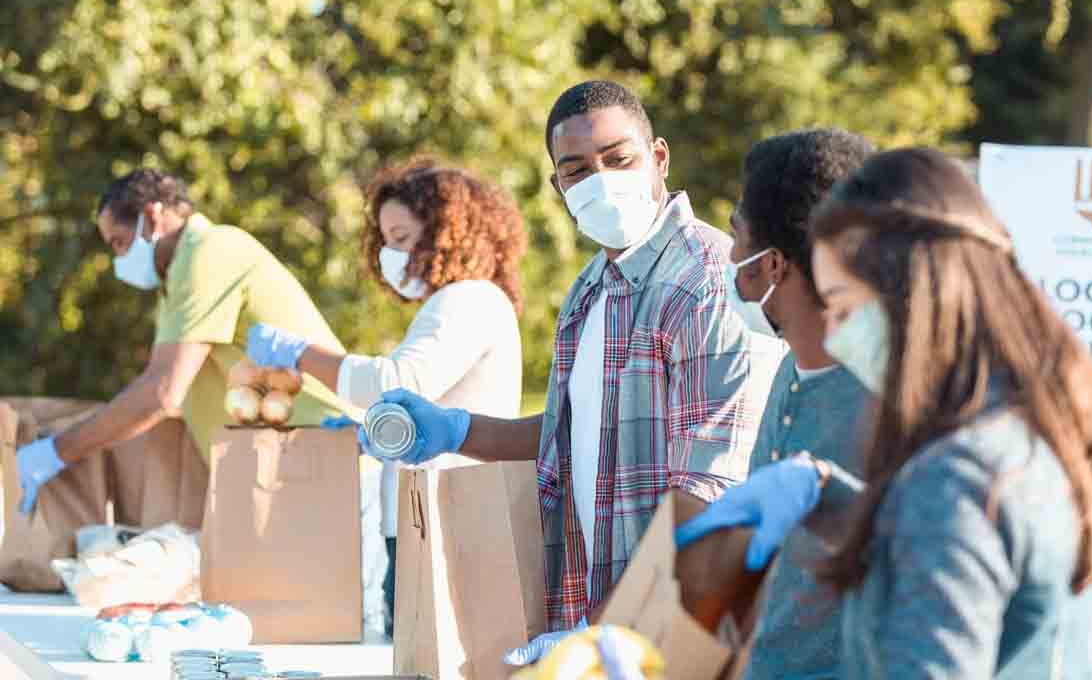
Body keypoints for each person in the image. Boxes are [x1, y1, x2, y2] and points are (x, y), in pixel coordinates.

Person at [679, 147, 1092, 677]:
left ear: (911, 291)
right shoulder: (1027, 426)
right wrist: (829, 496)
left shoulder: (958, 475)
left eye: (844, 307)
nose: (833, 334)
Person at [361, 80, 785, 661]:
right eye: (579, 169)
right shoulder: (590, 291)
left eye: (619, 158)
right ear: (558, 185)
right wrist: (460, 430)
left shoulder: (707, 284)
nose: (602, 180)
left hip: (671, 635)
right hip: (593, 622)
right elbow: (572, 437)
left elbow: (711, 496)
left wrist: (609, 628)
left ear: (658, 157)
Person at [245, 157, 528, 636]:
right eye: (386, 241)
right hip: (429, 518)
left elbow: (398, 381)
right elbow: (428, 404)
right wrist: (374, 434)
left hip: (450, 521)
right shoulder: (457, 303)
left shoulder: (468, 300)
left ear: (445, 230)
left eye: (400, 238)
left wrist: (299, 354)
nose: (391, 255)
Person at [16, 169, 348, 504]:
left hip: (322, 454)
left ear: (151, 215)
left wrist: (53, 453)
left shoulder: (208, 251)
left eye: (119, 242)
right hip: (287, 465)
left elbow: (161, 392)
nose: (119, 260)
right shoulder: (174, 281)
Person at [719, 129, 872, 680]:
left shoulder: (891, 402)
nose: (729, 256)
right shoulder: (789, 369)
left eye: (737, 235)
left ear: (773, 264)